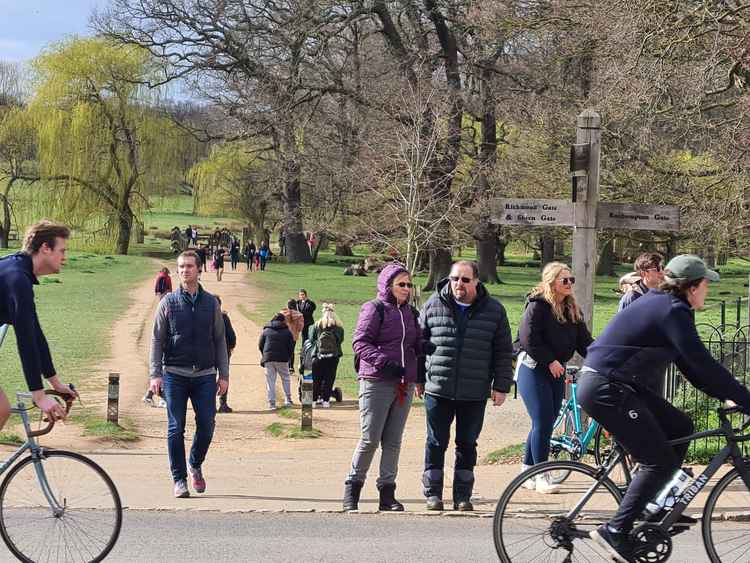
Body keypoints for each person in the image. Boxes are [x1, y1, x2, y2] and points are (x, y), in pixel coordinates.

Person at [578, 255, 750, 561]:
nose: (707, 291)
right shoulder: (671, 311)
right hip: (607, 387)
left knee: (681, 427)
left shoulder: (667, 307)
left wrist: (728, 395)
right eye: (706, 284)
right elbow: (703, 363)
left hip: (619, 384)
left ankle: (659, 502)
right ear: (691, 287)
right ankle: (615, 530)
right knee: (656, 461)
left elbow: (692, 368)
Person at [419, 260, 514, 511]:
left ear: (476, 282)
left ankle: (463, 496)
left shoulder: (494, 310)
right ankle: (433, 494)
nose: (458, 284)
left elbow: (504, 351)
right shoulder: (433, 304)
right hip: (438, 387)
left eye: (464, 279)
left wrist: (501, 385)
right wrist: (418, 378)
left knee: (467, 443)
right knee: (436, 442)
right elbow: (419, 344)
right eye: (454, 279)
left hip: (474, 391)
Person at [149, 250, 229, 498]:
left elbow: (219, 340)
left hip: (205, 374)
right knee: (176, 427)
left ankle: (195, 463)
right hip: (174, 373)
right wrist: (155, 374)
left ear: (199, 269)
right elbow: (156, 340)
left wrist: (224, 375)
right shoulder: (168, 303)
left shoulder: (211, 304)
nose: (185, 271)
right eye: (181, 267)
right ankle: (179, 479)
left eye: (189, 266)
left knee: (207, 424)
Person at [343, 263, 423, 512]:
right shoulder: (374, 308)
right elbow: (360, 342)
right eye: (402, 284)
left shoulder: (411, 312)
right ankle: (352, 490)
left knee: (393, 441)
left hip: (403, 383)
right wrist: (383, 362)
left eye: (409, 285)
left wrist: (425, 347)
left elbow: (415, 342)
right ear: (388, 285)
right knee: (370, 439)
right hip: (376, 381)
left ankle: (387, 494)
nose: (407, 289)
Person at [515, 262, 593, 493]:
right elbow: (528, 338)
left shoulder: (571, 309)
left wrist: (603, 357)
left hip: (556, 370)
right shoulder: (538, 306)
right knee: (542, 420)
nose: (569, 284)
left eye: (571, 280)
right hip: (533, 366)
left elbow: (585, 342)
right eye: (564, 280)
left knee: (546, 421)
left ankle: (527, 470)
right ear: (552, 282)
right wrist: (550, 360)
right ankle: (541, 475)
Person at [0, 220, 78, 430]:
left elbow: (35, 334)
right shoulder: (17, 279)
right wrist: (38, 394)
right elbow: (25, 340)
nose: (64, 258)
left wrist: (55, 383)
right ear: (45, 248)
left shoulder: (19, 272)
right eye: (62, 250)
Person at [618, 251, 667, 397]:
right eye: (657, 269)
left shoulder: (661, 296)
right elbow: (623, 333)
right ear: (644, 273)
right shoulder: (632, 297)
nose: (661, 272)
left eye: (662, 268)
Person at [308, 303, 344, 407]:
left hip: (318, 355)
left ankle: (314, 400)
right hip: (333, 356)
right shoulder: (339, 327)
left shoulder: (317, 325)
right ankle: (326, 401)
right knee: (329, 378)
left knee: (316, 379)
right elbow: (340, 340)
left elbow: (311, 339)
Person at [258, 313, 295, 409]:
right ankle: (288, 399)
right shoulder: (287, 331)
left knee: (270, 380)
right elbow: (291, 347)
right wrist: (288, 357)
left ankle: (272, 403)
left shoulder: (266, 330)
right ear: (283, 321)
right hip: (282, 359)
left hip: (269, 358)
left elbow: (260, 345)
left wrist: (265, 355)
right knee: (286, 378)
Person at [215, 296, 237, 414]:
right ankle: (223, 404)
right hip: (224, 351)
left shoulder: (205, 316)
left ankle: (210, 404)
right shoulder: (223, 317)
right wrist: (232, 346)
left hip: (209, 352)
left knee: (209, 377)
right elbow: (231, 335)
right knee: (224, 376)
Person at [281, 299, 304, 374]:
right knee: (291, 351)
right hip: (293, 335)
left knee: (284, 350)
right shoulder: (299, 315)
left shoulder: (283, 313)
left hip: (284, 334)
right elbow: (300, 328)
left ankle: (284, 367)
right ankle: (291, 367)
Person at [296, 289, 317, 372]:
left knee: (308, 337)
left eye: (303, 295)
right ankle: (303, 349)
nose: (301, 296)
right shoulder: (298, 303)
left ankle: (309, 350)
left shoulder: (310, 303)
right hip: (302, 323)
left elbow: (310, 311)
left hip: (308, 323)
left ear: (306, 295)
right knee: (303, 336)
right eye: (300, 295)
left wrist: (301, 314)